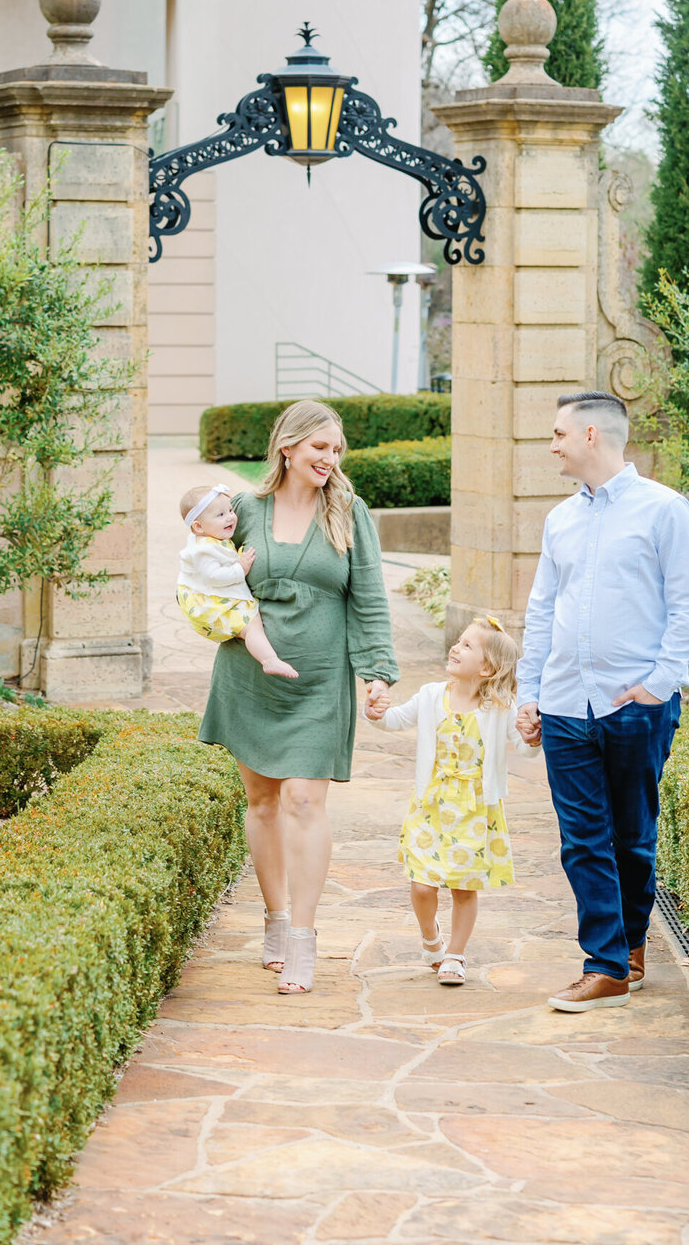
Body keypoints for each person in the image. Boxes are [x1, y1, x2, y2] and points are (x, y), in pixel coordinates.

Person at [517, 390, 689, 1014]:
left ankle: (628, 946)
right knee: (582, 839)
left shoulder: (665, 511)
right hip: (568, 704)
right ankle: (605, 964)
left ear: (593, 435)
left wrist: (658, 684)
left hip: (636, 705)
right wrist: (531, 692)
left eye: (558, 434)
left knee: (632, 836)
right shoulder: (559, 520)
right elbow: (542, 610)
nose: (552, 445)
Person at [198, 400, 398, 996]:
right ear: (287, 447)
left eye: (336, 451)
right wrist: (215, 602)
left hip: (318, 683)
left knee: (306, 802)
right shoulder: (242, 510)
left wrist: (377, 671)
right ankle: (277, 919)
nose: (329, 460)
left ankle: (306, 939)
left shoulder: (349, 513)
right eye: (319, 448)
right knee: (261, 804)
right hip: (248, 677)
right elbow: (199, 574)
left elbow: (369, 598)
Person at [365, 615, 537, 986]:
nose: (455, 648)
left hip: (476, 808)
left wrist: (534, 736)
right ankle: (432, 938)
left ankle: (455, 955)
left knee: (463, 886)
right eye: (458, 642)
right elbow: (394, 720)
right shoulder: (430, 695)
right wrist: (376, 713)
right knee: (422, 885)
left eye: (467, 646)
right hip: (432, 804)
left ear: (487, 667)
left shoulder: (500, 708)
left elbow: (525, 748)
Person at [176, 483, 298, 678]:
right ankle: (269, 660)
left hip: (212, 595)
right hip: (210, 603)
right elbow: (214, 576)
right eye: (220, 515)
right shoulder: (203, 550)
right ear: (198, 526)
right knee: (251, 625)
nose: (231, 517)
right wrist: (240, 568)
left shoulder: (212, 537)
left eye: (230, 510)